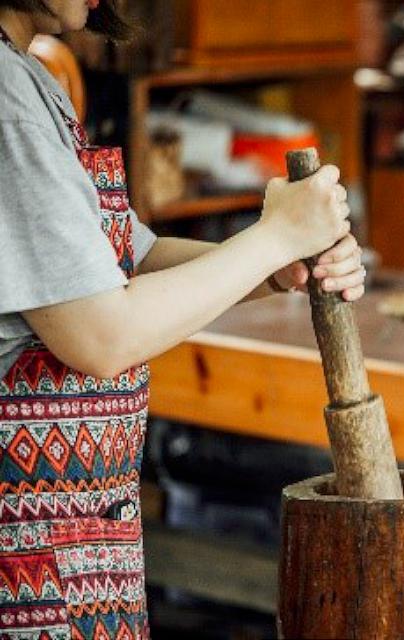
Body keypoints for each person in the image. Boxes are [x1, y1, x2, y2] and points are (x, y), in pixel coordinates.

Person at [0, 1, 365, 637]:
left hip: (75, 533)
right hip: (25, 548)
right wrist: (275, 238)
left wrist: (274, 265)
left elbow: (129, 259)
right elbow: (101, 333)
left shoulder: (28, 77)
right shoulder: (6, 98)